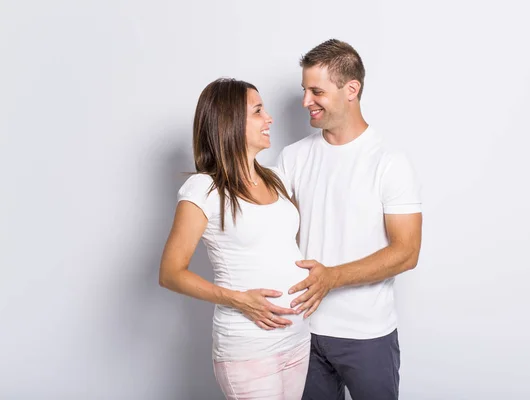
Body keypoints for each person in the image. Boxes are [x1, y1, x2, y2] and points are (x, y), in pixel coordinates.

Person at [277, 39, 423, 400]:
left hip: (367, 334)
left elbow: (407, 252)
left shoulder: (389, 162)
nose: (305, 101)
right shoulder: (292, 157)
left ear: (351, 89)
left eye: (317, 91)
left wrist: (332, 278)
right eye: (304, 90)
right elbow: (270, 232)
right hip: (301, 331)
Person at [159, 78, 310, 399]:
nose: (269, 119)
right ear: (230, 122)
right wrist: (238, 299)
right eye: (258, 112)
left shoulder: (278, 179)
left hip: (297, 340)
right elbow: (171, 273)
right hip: (249, 347)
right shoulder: (204, 189)